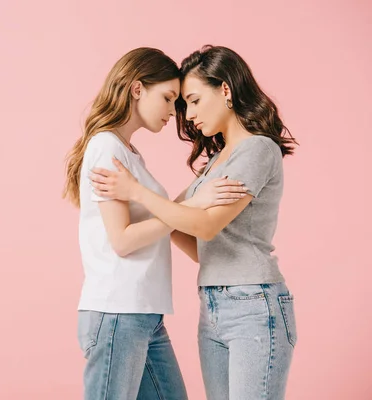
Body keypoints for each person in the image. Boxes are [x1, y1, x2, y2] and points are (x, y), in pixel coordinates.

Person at [89, 45, 299, 400]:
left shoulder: (258, 150)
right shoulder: (216, 161)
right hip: (213, 305)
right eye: (183, 105)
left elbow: (204, 226)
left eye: (195, 100)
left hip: (254, 304)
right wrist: (156, 219)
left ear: (226, 90)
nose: (188, 115)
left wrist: (137, 192)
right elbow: (197, 242)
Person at [63, 47, 246, 400]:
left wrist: (192, 207)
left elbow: (154, 216)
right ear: (136, 90)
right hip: (117, 311)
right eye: (168, 98)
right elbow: (123, 240)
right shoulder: (106, 147)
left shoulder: (128, 153)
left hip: (143, 315)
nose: (173, 112)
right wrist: (193, 204)